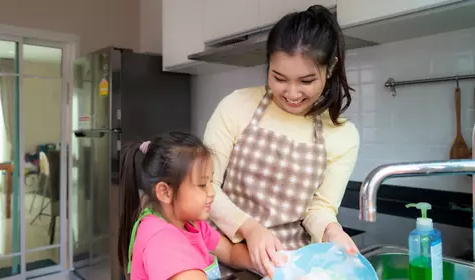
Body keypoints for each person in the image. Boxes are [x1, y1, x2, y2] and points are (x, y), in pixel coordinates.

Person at [203, 5, 360, 279]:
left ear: (331, 66)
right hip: (223, 253)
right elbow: (205, 186)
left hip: (288, 267)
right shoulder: (237, 105)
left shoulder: (343, 135)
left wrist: (332, 231)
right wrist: (249, 229)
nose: (292, 93)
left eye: (306, 80)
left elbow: (319, 209)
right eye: (279, 78)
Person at [117, 131, 283, 280]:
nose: (212, 192)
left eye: (211, 181)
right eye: (202, 184)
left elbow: (231, 253)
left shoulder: (190, 223)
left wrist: (271, 263)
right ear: (165, 192)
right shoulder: (162, 242)